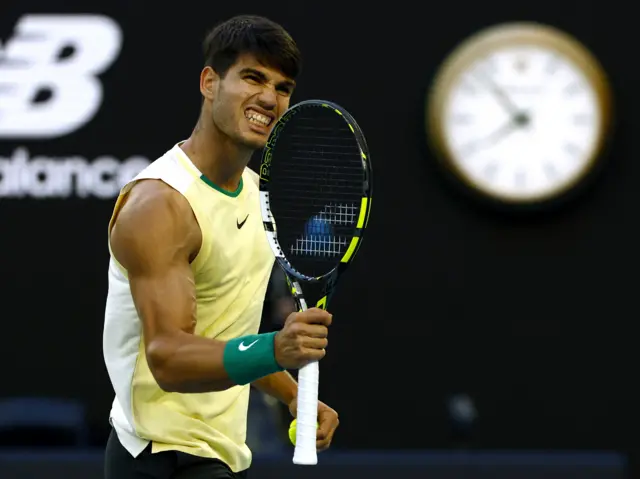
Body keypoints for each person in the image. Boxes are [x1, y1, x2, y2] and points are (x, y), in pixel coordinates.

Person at [102, 14, 340, 479]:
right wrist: (277, 348)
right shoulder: (160, 204)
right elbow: (169, 358)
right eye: (252, 77)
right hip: (160, 456)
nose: (269, 98)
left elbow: (227, 337)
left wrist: (293, 394)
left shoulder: (256, 194)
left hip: (221, 454)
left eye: (283, 86)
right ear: (209, 82)